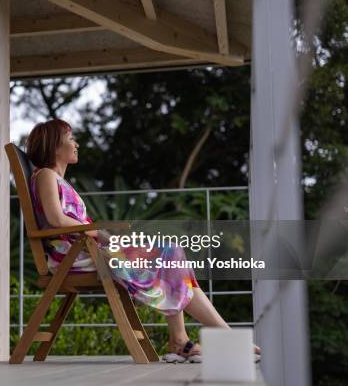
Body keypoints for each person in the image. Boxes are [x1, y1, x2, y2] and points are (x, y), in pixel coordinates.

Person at [25, 118, 261, 363]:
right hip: (74, 257)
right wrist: (99, 234)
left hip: (87, 251)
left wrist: (101, 236)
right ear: (54, 146)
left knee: (173, 257)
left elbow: (68, 221)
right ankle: (199, 341)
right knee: (171, 253)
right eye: (70, 138)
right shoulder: (45, 175)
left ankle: (187, 340)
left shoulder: (58, 181)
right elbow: (55, 218)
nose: (76, 144)